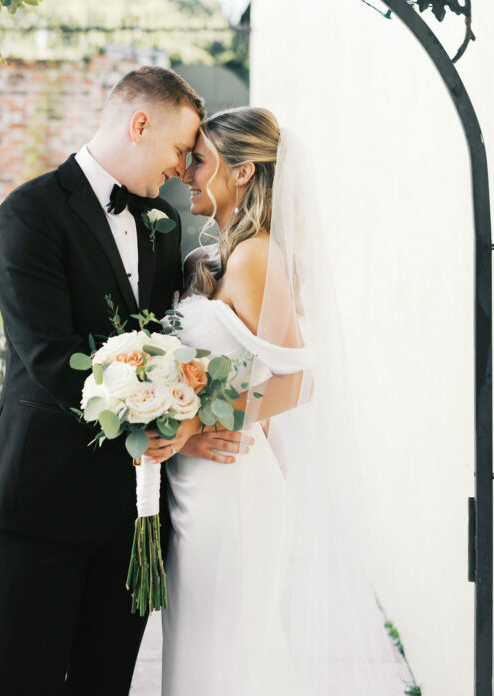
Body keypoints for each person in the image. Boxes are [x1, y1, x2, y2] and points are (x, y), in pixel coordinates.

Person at [148, 107, 413, 696]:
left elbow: (298, 382)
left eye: (200, 160)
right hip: (198, 483)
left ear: (240, 173)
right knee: (200, 645)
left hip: (230, 485)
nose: (186, 173)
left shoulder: (257, 255)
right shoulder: (217, 256)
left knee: (225, 651)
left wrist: (194, 423)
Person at [0, 65, 204, 696]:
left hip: (129, 508)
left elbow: (166, 341)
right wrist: (147, 414)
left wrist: (176, 415)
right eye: (181, 149)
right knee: (27, 682)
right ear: (139, 123)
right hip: (43, 499)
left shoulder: (164, 223)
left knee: (106, 683)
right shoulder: (29, 212)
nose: (184, 168)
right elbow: (51, 358)